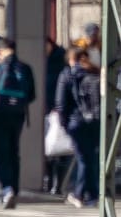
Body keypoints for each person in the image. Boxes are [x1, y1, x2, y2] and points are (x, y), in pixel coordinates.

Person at [0, 37, 36, 209]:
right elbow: (32, 95)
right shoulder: (25, 68)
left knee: (0, 153)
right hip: (18, 115)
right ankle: (14, 190)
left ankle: (7, 189)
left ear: (0, 51)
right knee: (13, 151)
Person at [57, 46, 102, 207]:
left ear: (70, 59)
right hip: (94, 122)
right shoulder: (93, 72)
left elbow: (61, 103)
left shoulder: (66, 75)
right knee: (90, 158)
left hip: (75, 122)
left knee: (83, 159)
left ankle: (79, 194)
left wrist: (64, 125)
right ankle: (93, 194)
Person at [44, 37, 69, 195]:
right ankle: (49, 181)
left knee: (59, 148)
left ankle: (57, 184)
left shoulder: (59, 60)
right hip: (45, 110)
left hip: (57, 110)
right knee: (47, 149)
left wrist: (59, 108)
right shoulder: (44, 60)